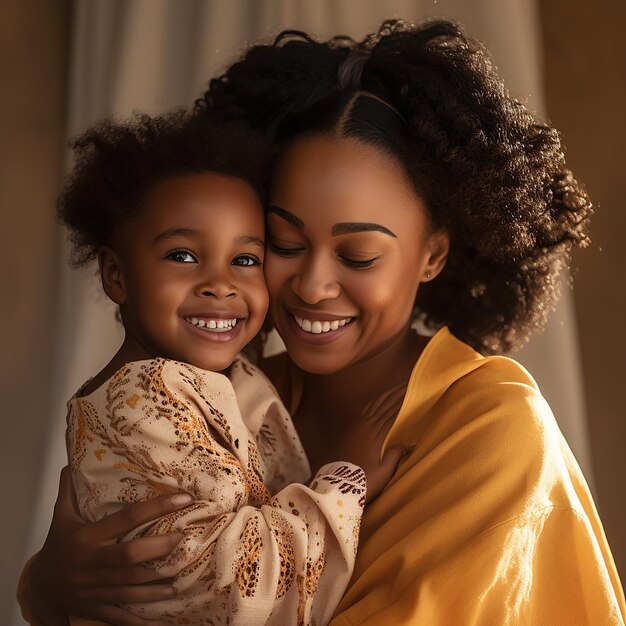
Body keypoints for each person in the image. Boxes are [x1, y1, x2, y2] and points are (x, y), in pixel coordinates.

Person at [21, 18, 626, 626]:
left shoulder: (491, 424)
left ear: (433, 255)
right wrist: (48, 588)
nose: (312, 286)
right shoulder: (235, 397)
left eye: (358, 255)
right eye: (282, 243)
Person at [21, 110, 407, 626]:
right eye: (183, 255)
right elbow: (228, 587)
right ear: (116, 274)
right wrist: (344, 477)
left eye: (246, 260)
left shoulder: (222, 377)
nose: (220, 284)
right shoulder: (141, 399)